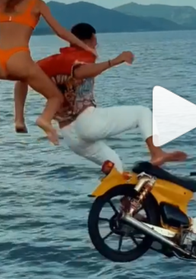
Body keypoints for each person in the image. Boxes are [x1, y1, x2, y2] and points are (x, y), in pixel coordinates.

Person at [16, 23, 187, 171]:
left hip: (69, 134)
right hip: (87, 122)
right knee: (142, 113)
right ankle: (156, 153)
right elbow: (80, 71)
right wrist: (115, 61)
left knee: (116, 168)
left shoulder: (49, 62)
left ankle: (122, 206)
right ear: (87, 41)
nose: (95, 48)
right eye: (95, 44)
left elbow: (21, 80)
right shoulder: (81, 55)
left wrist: (19, 118)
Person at [0, 0, 97, 143]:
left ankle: (18, 119)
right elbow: (60, 31)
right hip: (19, 58)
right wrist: (86, 47)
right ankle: (44, 120)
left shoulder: (5, 0)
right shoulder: (37, 4)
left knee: (23, 78)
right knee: (55, 96)